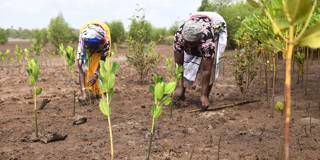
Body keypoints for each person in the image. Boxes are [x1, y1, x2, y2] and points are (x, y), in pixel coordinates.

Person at [173, 11, 227, 110]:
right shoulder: (179, 37)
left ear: (199, 41)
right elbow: (179, 64)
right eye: (187, 43)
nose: (188, 46)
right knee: (187, 60)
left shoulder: (208, 42)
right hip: (195, 19)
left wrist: (204, 95)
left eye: (192, 44)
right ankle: (182, 92)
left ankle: (205, 95)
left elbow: (207, 70)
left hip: (216, 23)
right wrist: (179, 87)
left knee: (213, 63)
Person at [77, 20, 112, 99]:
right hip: (87, 35)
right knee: (87, 66)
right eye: (91, 49)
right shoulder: (83, 43)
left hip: (103, 29)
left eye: (94, 49)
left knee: (102, 66)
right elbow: (80, 69)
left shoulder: (105, 41)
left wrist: (96, 74)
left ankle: (102, 90)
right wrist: (83, 92)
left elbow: (103, 61)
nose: (92, 52)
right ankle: (88, 91)